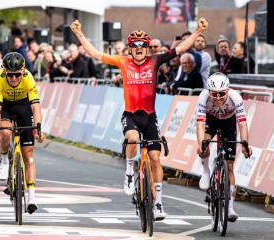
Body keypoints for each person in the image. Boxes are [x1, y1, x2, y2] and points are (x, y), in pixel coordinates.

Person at [70, 16, 208, 220]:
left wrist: (197, 31)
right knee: (133, 139)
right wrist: (79, 33)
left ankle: (159, 205)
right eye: (134, 46)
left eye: (142, 45)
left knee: (155, 159)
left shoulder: (155, 60)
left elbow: (180, 49)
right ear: (130, 48)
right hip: (131, 115)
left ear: (146, 48)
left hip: (150, 116)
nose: (139, 49)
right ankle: (128, 172)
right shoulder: (123, 62)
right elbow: (96, 54)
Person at [0, 52, 45, 214]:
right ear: (5, 72)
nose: (14, 78)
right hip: (5, 105)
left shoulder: (28, 77)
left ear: (22, 72)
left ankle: (32, 198)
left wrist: (38, 127)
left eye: (17, 74)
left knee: (28, 156)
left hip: (23, 106)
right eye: (10, 75)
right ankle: (5, 161)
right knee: (6, 132)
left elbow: (35, 107)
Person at [196, 72, 252, 222]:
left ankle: (230, 208)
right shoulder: (203, 97)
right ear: (209, 91)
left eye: (222, 93)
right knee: (204, 144)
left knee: (230, 165)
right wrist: (201, 144)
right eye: (214, 94)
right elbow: (200, 124)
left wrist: (245, 143)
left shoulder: (236, 97)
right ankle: (206, 171)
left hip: (228, 121)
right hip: (211, 120)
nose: (218, 97)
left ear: (228, 90)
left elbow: (242, 123)